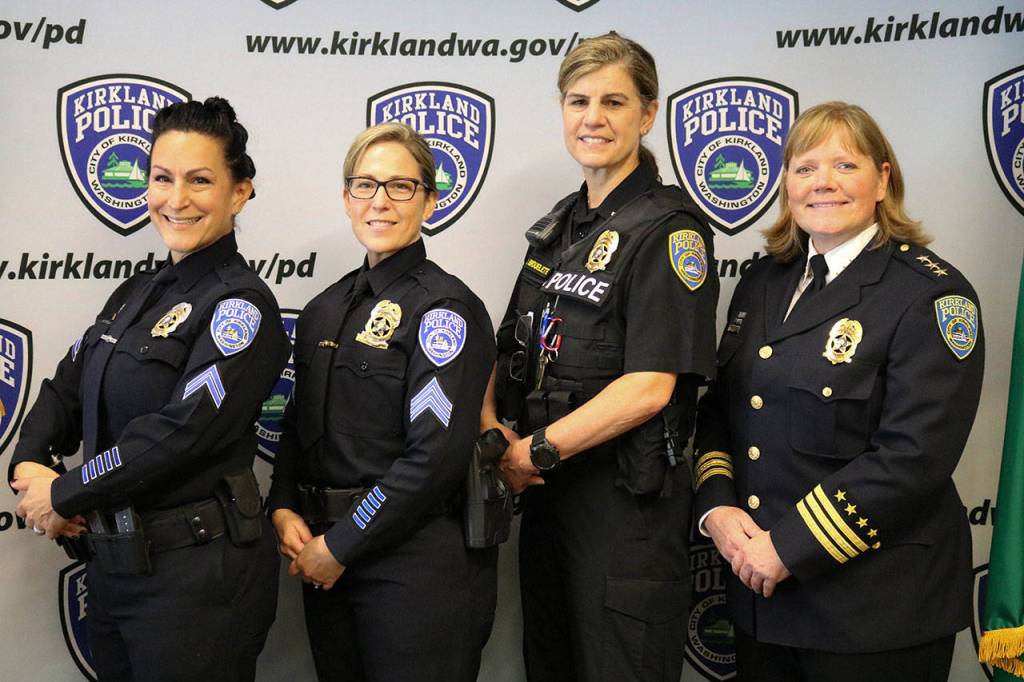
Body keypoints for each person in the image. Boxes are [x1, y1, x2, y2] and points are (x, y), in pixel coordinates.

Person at [694, 101, 984, 681]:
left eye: (845, 166)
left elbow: (912, 458)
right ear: (786, 185)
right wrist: (718, 510)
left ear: (883, 180)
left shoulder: (931, 295)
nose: (822, 182)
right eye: (804, 168)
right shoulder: (761, 282)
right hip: (763, 602)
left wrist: (786, 548)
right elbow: (724, 411)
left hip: (875, 614)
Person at [10, 97, 290, 681]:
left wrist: (65, 492)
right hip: (117, 567)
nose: (176, 199)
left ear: (240, 192)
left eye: (200, 180)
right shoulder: (135, 293)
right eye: (162, 178)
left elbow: (180, 433)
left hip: (194, 583)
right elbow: (66, 388)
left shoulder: (240, 305)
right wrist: (29, 461)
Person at [483, 32, 719, 682]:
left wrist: (531, 452)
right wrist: (490, 433)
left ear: (647, 114)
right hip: (548, 507)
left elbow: (649, 386)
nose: (593, 117)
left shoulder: (669, 232)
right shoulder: (557, 230)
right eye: (578, 100)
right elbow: (504, 352)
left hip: (625, 520)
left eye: (614, 102)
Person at [268, 121, 497, 682]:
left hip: (412, 564)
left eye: (401, 186)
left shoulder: (445, 310)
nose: (381, 202)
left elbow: (434, 458)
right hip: (326, 552)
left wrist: (341, 544)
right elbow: (298, 422)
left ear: (430, 200)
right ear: (347, 199)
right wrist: (283, 504)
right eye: (366, 185)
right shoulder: (325, 308)